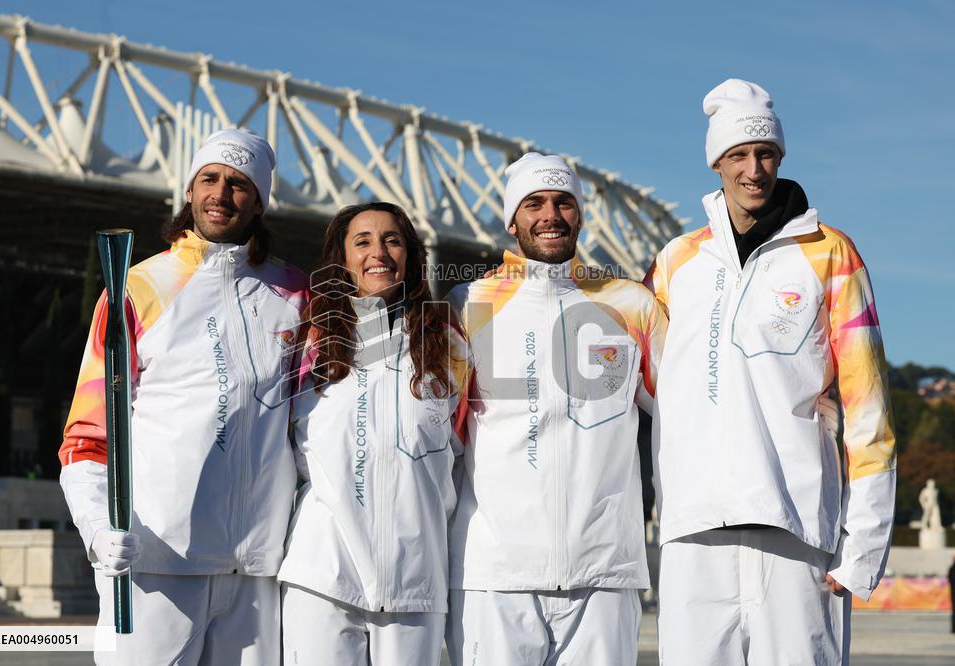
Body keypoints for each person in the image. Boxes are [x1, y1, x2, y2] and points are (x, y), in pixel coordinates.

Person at [643, 79, 896, 664]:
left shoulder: (830, 253)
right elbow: (648, 385)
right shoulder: (677, 261)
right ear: (716, 163)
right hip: (693, 533)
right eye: (738, 155)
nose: (753, 170)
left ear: (780, 157)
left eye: (765, 153)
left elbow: (869, 406)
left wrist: (863, 545)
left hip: (796, 532)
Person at [59, 128, 308, 665]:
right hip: (158, 561)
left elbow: (313, 428)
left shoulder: (294, 293)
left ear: (260, 201)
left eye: (239, 184)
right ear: (190, 190)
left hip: (258, 571)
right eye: (209, 178)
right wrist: (98, 528)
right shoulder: (137, 288)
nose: (221, 194)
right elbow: (88, 437)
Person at [444, 152, 668, 665]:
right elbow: (441, 438)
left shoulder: (631, 304)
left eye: (564, 202)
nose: (551, 215)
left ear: (581, 215)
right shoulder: (468, 303)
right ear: (512, 220)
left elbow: (686, 415)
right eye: (534, 203)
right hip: (493, 573)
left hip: (604, 572)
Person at [277, 202, 469, 665]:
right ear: (342, 259)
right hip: (322, 573)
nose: (378, 252)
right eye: (362, 241)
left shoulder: (448, 345)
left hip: (415, 580)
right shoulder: (309, 339)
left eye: (392, 240)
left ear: (410, 255)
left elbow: (462, 453)